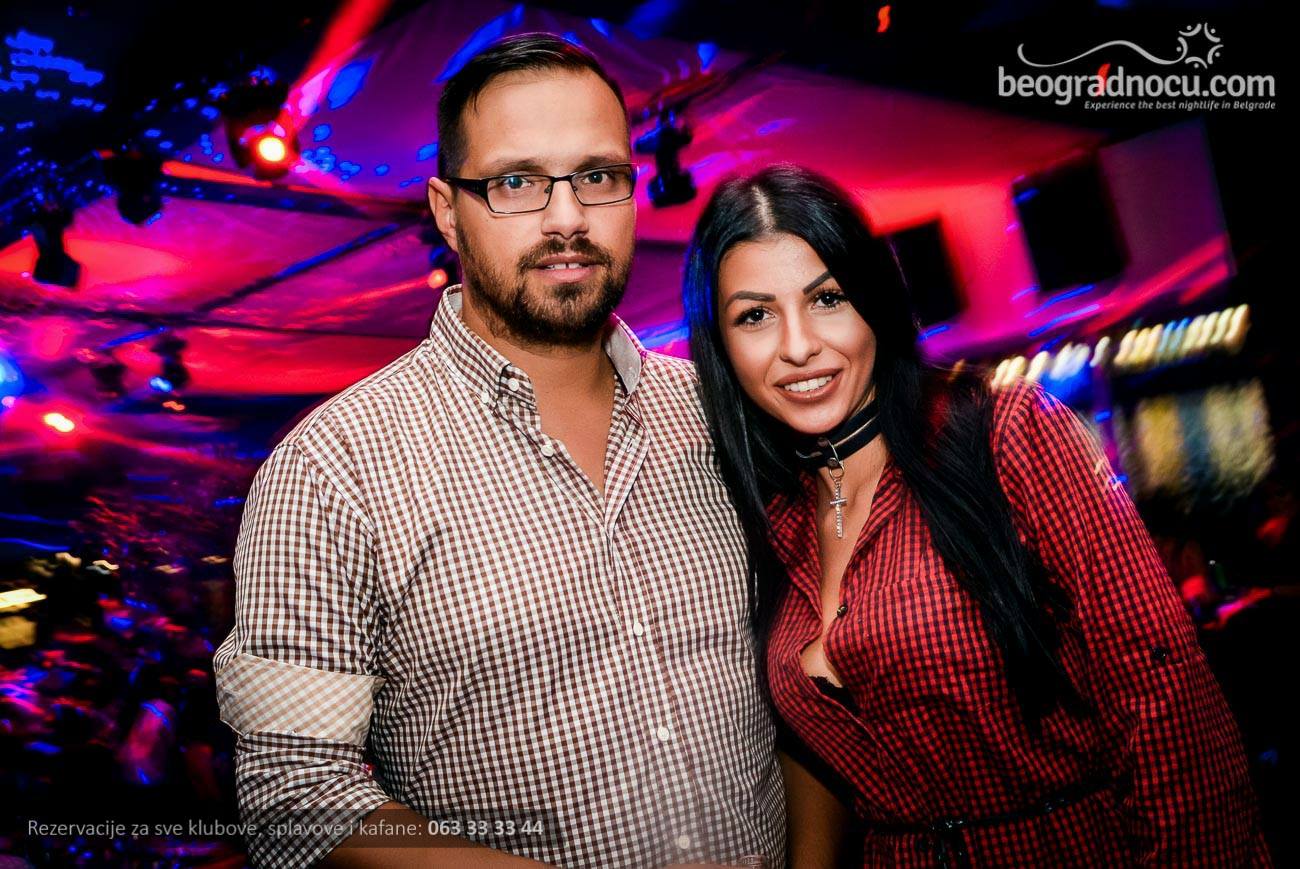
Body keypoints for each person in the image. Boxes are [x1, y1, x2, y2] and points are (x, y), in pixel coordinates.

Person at [213, 34, 786, 869]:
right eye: (517, 182)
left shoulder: (718, 411)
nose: (567, 218)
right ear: (447, 210)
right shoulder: (332, 469)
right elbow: (292, 798)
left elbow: (812, 689)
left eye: (597, 176)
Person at [682, 164, 1272, 867]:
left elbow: (1167, 705)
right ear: (721, 347)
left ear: (875, 300)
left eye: (828, 298)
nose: (799, 344)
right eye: (755, 315)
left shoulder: (1009, 435)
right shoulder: (771, 519)